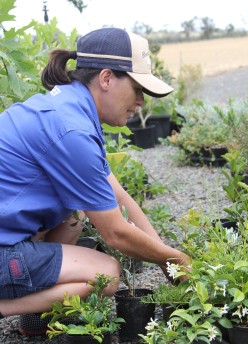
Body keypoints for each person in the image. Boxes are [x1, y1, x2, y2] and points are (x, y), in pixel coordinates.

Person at [0, 27, 190, 321]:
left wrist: (167, 259)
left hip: (9, 238)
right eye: (138, 89)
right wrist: (176, 259)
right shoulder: (72, 129)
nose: (141, 101)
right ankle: (10, 307)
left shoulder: (70, 109)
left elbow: (118, 195)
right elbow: (115, 233)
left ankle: (33, 312)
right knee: (106, 274)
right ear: (106, 78)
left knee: (79, 213)